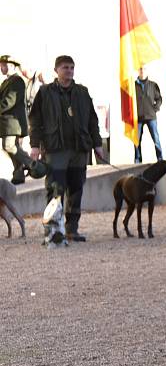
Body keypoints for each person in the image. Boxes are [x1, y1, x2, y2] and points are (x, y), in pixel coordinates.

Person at [29, 55, 103, 242]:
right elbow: (35, 120)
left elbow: (92, 120)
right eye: (65, 67)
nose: (69, 71)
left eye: (71, 67)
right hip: (55, 149)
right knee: (55, 190)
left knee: (76, 188)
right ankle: (53, 229)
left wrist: (97, 144)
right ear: (56, 70)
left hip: (79, 149)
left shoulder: (82, 92)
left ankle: (72, 229)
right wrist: (35, 146)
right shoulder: (45, 92)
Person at [0, 55, 30, 184]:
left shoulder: (17, 81)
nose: (1, 68)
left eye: (4, 65)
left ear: (11, 66)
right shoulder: (7, 81)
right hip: (8, 123)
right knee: (12, 147)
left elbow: (9, 101)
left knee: (9, 146)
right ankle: (18, 175)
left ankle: (32, 164)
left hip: (13, 122)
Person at [133, 66, 163, 163]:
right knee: (136, 140)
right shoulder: (133, 86)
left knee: (156, 139)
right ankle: (138, 160)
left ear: (146, 71)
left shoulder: (153, 85)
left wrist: (155, 109)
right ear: (138, 71)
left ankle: (160, 159)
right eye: (140, 69)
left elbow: (159, 98)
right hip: (138, 117)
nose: (142, 71)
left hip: (151, 116)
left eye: (144, 69)